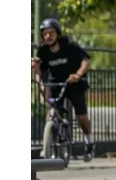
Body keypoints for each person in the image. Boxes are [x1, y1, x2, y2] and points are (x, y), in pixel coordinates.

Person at [32, 18, 96, 161]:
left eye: (51, 33)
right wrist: (39, 79)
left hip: (74, 82)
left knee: (81, 115)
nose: (48, 36)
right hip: (56, 83)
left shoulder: (69, 46)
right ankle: (48, 143)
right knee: (51, 111)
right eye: (45, 34)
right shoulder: (43, 51)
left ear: (58, 34)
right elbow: (39, 71)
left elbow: (86, 61)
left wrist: (78, 75)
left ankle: (90, 140)